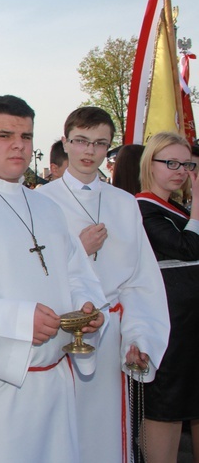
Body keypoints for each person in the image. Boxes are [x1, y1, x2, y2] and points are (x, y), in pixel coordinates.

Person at [0, 95, 107, 463]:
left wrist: (87, 311)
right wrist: (17, 320)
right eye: (4, 135)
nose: (18, 144)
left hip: (55, 384)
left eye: (26, 136)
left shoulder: (48, 207)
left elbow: (77, 274)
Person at [38, 107, 169, 463]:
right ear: (65, 143)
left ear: (108, 148)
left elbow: (140, 282)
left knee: (105, 434)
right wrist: (77, 250)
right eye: (80, 141)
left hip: (110, 334)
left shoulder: (124, 204)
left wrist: (140, 338)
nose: (89, 151)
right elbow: (29, 273)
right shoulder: (40, 202)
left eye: (99, 143)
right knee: (57, 431)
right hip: (56, 332)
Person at [136, 132, 199, 463]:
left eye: (186, 164)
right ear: (151, 163)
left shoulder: (175, 206)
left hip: (192, 324)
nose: (180, 171)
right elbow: (189, 246)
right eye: (171, 163)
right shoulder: (142, 208)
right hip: (169, 327)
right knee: (168, 407)